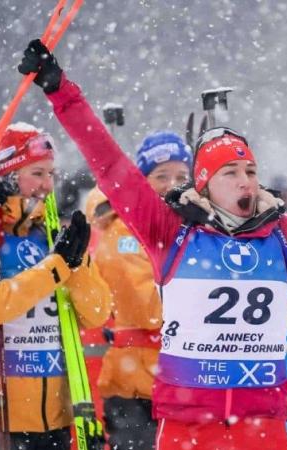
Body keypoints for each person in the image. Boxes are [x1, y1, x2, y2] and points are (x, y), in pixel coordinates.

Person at [18, 39, 287, 450]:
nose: (245, 179)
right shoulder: (171, 231)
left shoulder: (284, 236)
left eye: (250, 170)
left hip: (260, 427)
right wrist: (60, 89)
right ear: (204, 184)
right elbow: (109, 160)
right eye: (231, 173)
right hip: (188, 427)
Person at [0, 123, 111, 450]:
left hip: (54, 419)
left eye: (52, 174)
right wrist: (56, 266)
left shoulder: (52, 236)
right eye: (37, 173)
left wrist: (77, 265)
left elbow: (97, 313)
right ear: (6, 175)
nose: (47, 185)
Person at [85, 131, 192, 450]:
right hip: (136, 386)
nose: (173, 184)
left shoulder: (186, 228)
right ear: (142, 180)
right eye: (162, 176)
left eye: (182, 176)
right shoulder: (123, 230)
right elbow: (145, 308)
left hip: (181, 381)